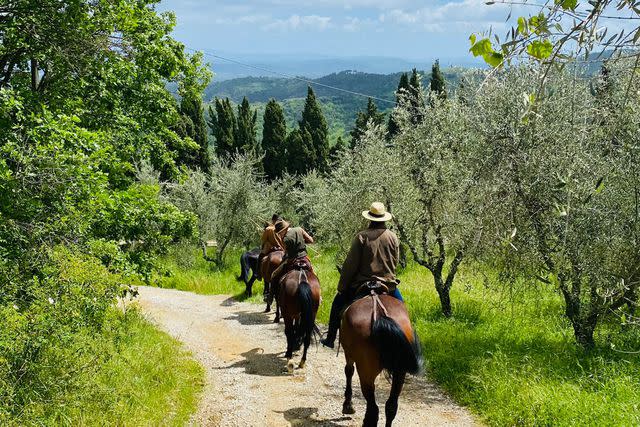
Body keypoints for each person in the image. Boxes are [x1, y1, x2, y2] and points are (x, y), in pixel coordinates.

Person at [320, 202, 403, 349]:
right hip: (388, 286)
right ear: (384, 218)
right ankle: (407, 341)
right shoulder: (393, 237)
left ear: (370, 219)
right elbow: (395, 262)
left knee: (337, 304)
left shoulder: (362, 237)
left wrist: (342, 287)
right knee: (403, 310)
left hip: (363, 285)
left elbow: (351, 265)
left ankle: (330, 338)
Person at [269, 219, 314, 286]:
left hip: (292, 260)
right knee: (314, 275)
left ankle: (271, 295)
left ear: (284, 229)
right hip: (304, 257)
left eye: (280, 233)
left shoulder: (284, 239)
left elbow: (286, 252)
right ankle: (319, 295)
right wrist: (301, 241)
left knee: (274, 275)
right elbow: (311, 240)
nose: (280, 235)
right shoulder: (299, 229)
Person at [256, 214, 283, 280]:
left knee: (260, 257)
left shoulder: (268, 229)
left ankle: (258, 274)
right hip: (281, 248)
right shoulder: (281, 228)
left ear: (272, 220)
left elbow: (263, 240)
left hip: (270, 249)